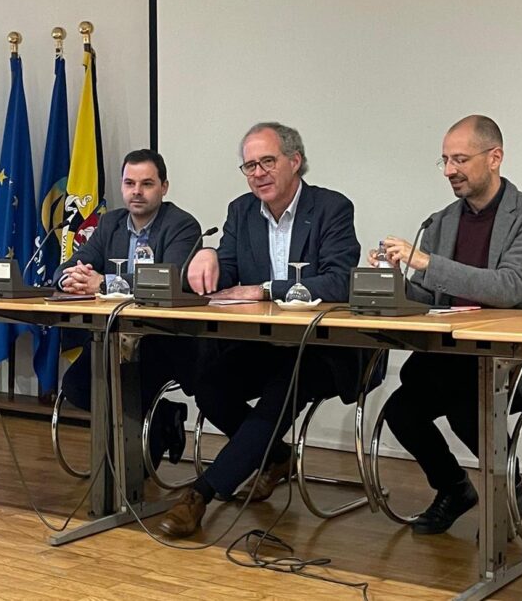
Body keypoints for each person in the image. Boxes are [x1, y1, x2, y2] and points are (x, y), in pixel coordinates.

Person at [158, 122, 372, 538]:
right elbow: (227, 276)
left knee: (282, 388)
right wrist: (207, 257)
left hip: (324, 349)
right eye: (250, 165)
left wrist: (266, 289)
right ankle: (276, 457)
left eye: (267, 162)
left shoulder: (331, 208)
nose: (258, 173)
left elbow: (340, 281)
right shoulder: (241, 211)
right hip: (266, 343)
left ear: (295, 161)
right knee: (210, 386)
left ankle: (201, 494)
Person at [372, 115, 522, 535]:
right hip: (453, 355)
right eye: (445, 160)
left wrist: (425, 262)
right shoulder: (441, 221)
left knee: (468, 405)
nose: (449, 170)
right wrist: (390, 284)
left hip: (515, 357)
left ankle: (509, 491)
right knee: (401, 411)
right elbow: (430, 299)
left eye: (460, 159)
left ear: (494, 158)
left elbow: (508, 287)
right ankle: (454, 490)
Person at [54, 149, 201, 468]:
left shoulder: (182, 225)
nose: (137, 191)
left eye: (147, 184)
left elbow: (168, 279)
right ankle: (165, 417)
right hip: (111, 338)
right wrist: (70, 278)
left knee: (132, 390)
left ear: (164, 187)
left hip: (161, 339)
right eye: (129, 183)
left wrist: (104, 283)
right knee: (77, 386)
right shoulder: (111, 223)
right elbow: (69, 265)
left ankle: (131, 468)